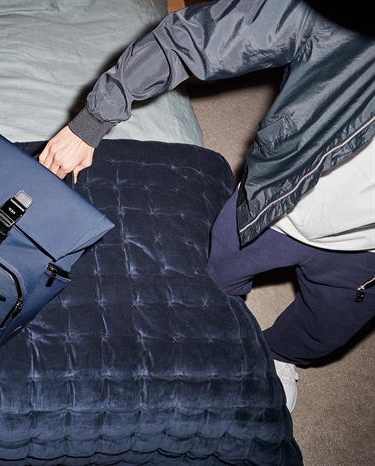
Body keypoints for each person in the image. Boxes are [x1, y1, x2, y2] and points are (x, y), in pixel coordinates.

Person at [38, 0, 375, 412]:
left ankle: (279, 356)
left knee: (324, 333)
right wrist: (91, 123)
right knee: (211, 290)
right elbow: (194, 36)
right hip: (275, 206)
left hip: (367, 256)